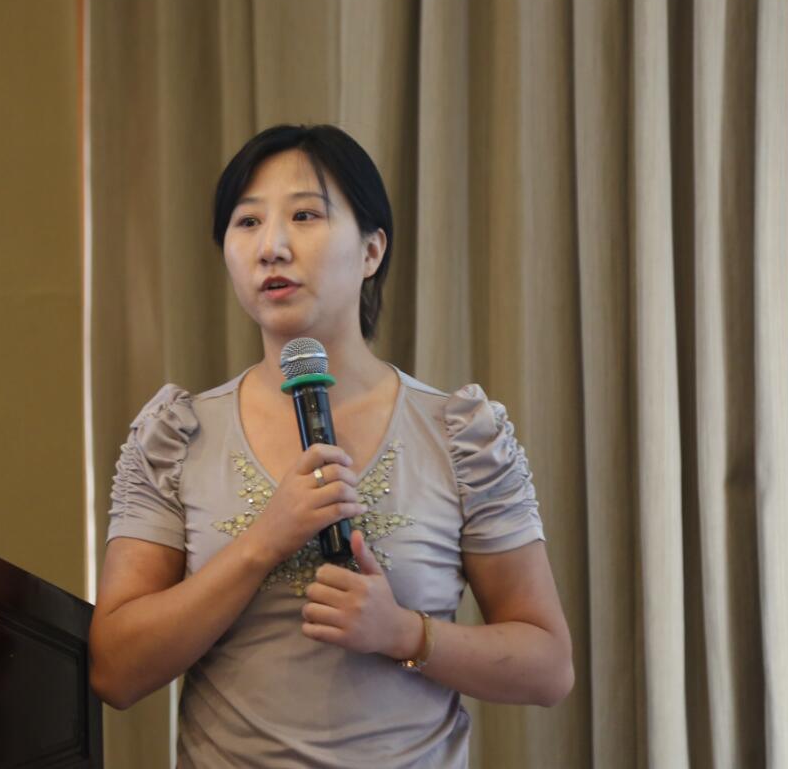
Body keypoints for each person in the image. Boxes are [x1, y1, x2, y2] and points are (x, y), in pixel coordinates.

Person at [89, 124, 573, 768]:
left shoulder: (462, 435)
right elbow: (115, 671)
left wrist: (405, 634)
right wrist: (263, 543)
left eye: (305, 215)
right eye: (247, 222)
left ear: (372, 250)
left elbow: (548, 667)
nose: (272, 247)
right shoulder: (175, 437)